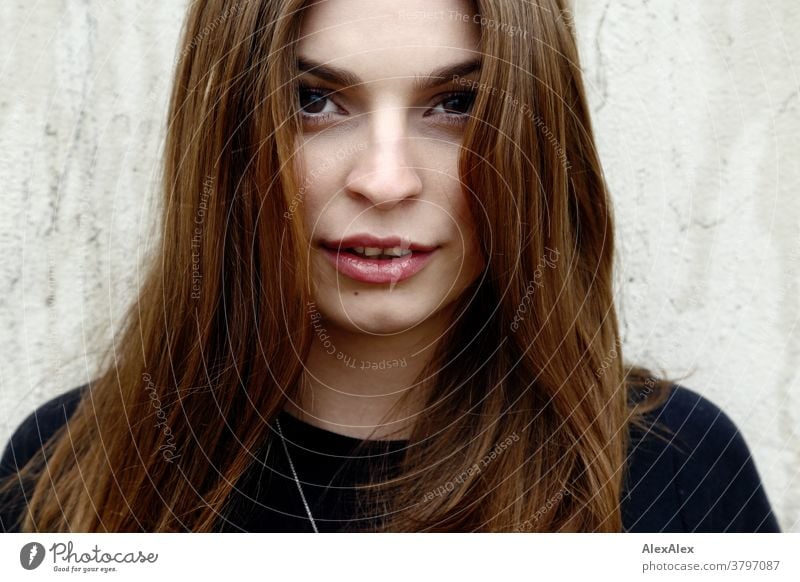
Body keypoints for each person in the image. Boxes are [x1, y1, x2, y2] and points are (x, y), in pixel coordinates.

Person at [0, 0, 781, 533]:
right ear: (226, 137)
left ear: (536, 134)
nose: (385, 180)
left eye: (456, 103)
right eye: (313, 100)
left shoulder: (680, 473)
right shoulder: (66, 471)